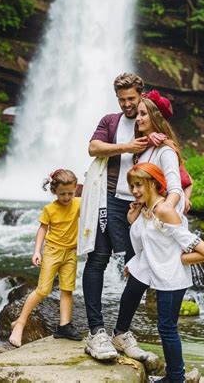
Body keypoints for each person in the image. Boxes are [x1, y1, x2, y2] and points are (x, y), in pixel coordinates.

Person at [111, 89, 196, 361]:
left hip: (162, 229)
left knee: (150, 297)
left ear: (156, 116)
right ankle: (120, 334)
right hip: (147, 230)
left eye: (144, 113)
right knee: (134, 281)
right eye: (138, 114)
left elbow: (175, 188)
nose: (138, 118)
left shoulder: (165, 150)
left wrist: (164, 209)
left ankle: (175, 373)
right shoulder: (147, 148)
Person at [124, 162, 204, 382]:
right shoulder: (147, 210)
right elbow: (148, 244)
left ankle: (176, 377)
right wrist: (132, 218)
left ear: (153, 184)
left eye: (139, 185)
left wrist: (179, 259)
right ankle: (175, 376)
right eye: (132, 186)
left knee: (166, 327)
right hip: (162, 276)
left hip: (173, 279)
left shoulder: (165, 210)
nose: (134, 191)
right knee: (165, 326)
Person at [82, 72, 148, 360]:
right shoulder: (110, 121)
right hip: (107, 199)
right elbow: (93, 148)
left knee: (141, 267)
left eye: (131, 99)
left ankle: (121, 332)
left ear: (141, 95)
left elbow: (171, 152)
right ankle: (96, 331)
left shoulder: (150, 120)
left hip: (139, 204)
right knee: (98, 258)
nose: (126, 104)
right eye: (122, 99)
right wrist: (126, 147)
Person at [9, 169, 82, 347]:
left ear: (76, 189)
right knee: (43, 290)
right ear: (54, 191)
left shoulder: (79, 203)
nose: (66, 197)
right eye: (62, 194)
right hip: (52, 251)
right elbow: (42, 229)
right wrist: (37, 251)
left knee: (67, 289)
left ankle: (64, 325)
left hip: (71, 252)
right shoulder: (50, 209)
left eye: (70, 193)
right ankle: (20, 323)